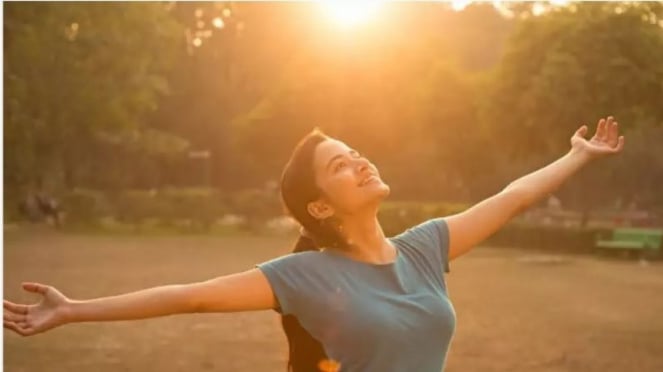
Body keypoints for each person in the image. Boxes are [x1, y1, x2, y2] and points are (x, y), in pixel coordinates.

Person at [4, 117, 625, 372]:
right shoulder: (304, 276)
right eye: (338, 166)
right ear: (321, 208)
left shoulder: (425, 248)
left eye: (355, 153)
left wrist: (575, 155)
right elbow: (187, 298)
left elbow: (513, 196)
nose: (358, 162)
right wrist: (74, 309)